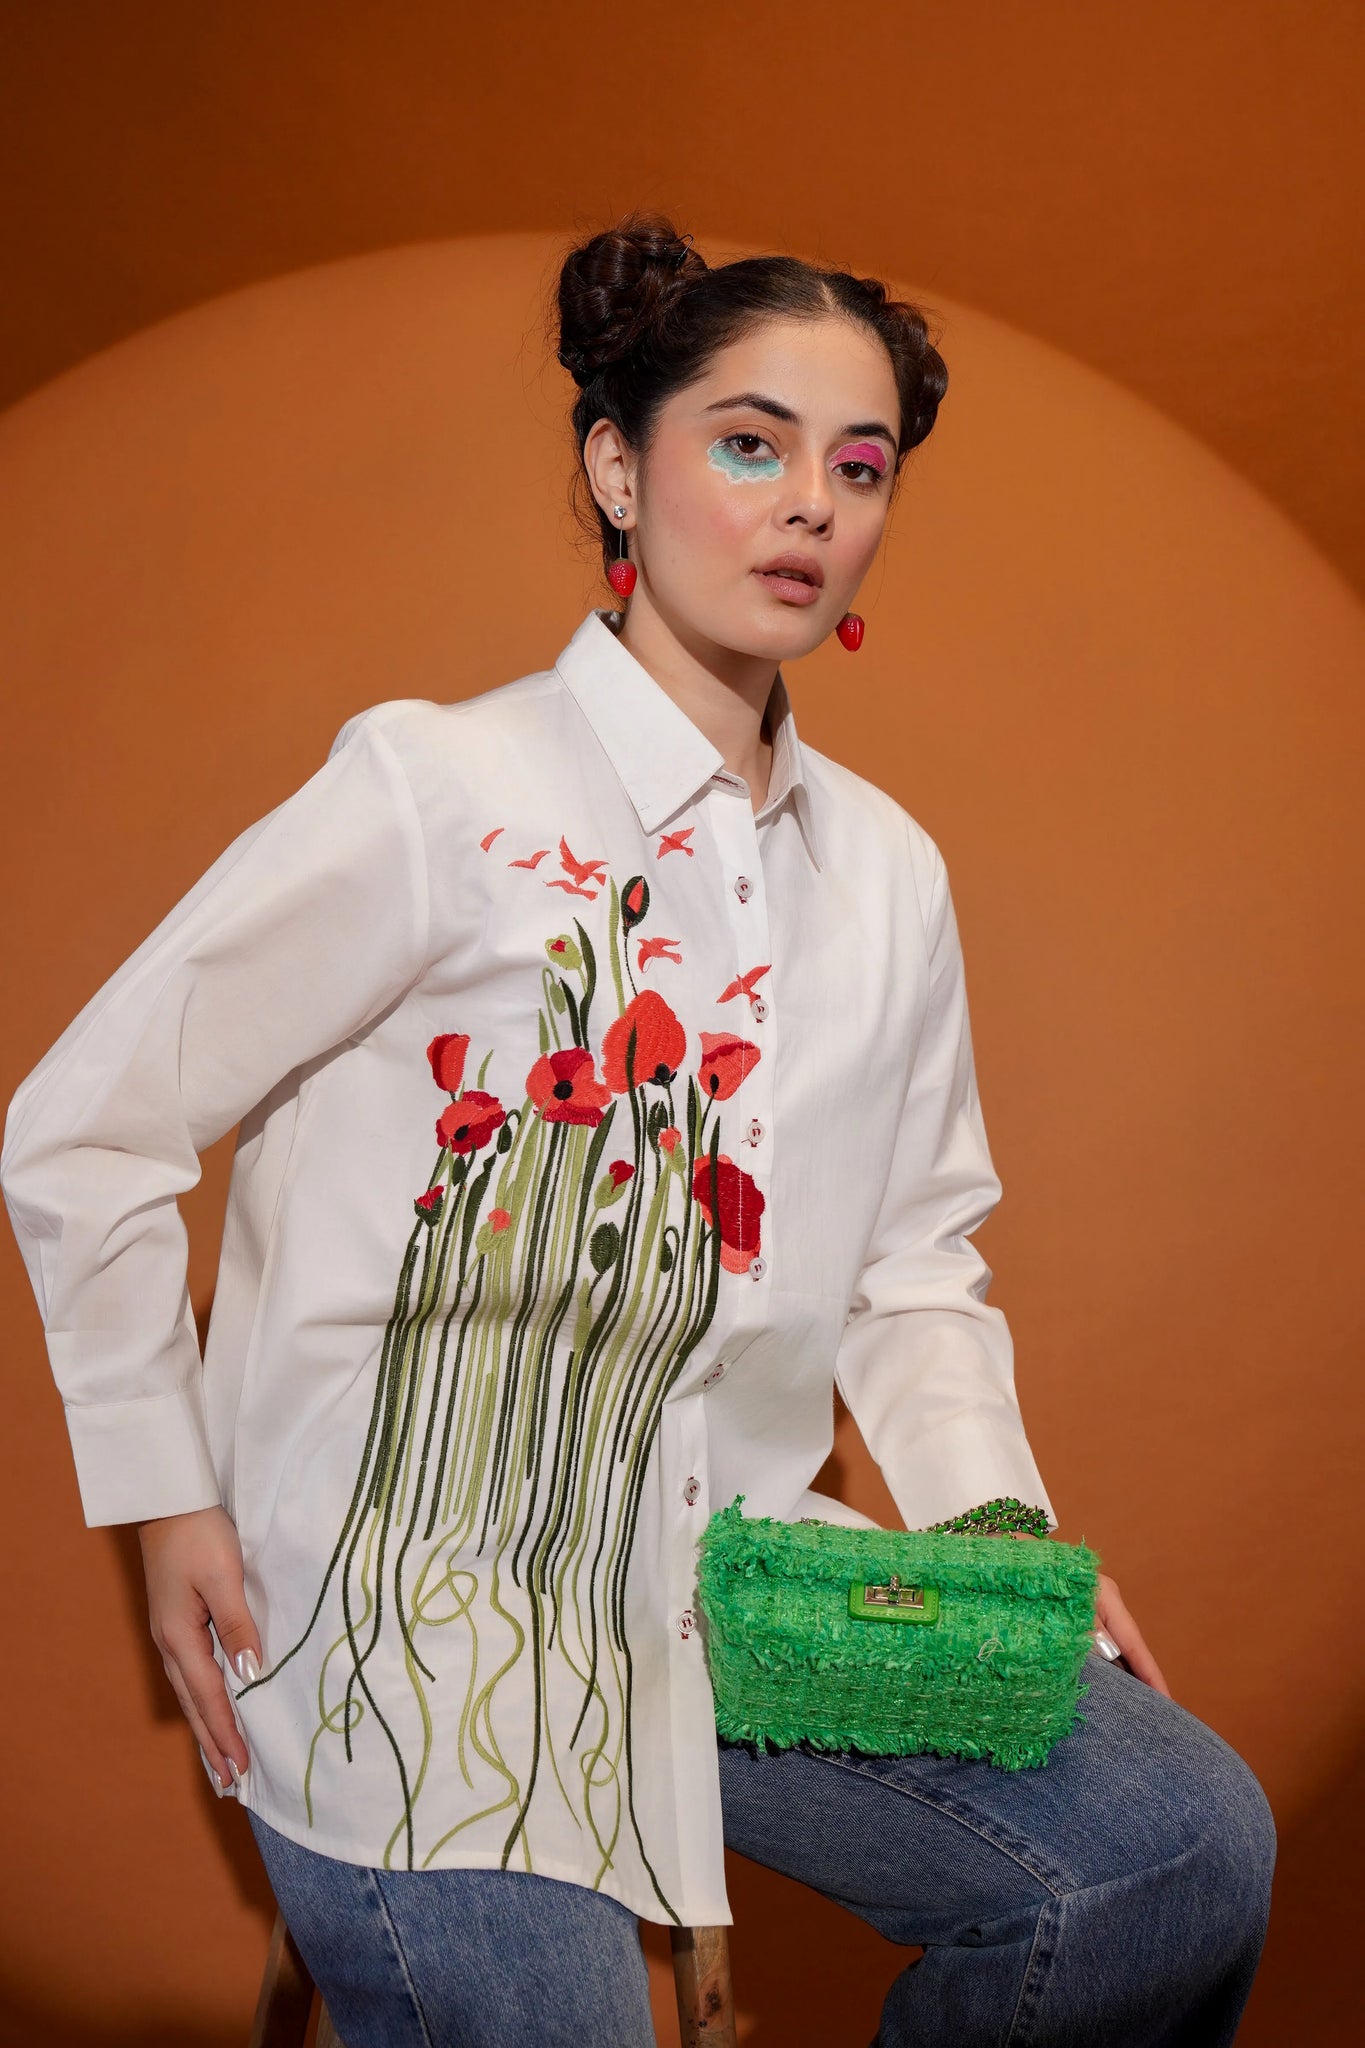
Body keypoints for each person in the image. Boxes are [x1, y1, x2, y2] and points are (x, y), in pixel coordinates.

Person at [0, 212, 1274, 2047]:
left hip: (717, 1588)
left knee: (1176, 1850)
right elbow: (84, 1126)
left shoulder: (885, 874)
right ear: (617, 467)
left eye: (858, 467)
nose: (810, 504)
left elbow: (913, 1264)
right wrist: (164, 1493)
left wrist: (1002, 1543)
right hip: (413, 1607)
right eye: (748, 445)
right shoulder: (436, 789)